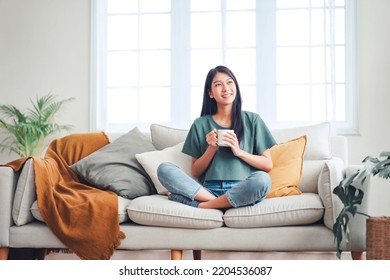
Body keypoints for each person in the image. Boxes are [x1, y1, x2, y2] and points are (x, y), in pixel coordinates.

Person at [157, 65, 276, 209]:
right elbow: (195, 171)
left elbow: (268, 164)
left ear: (236, 87)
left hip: (242, 188)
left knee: (263, 180)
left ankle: (206, 206)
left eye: (229, 82)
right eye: (218, 84)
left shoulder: (253, 120)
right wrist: (211, 149)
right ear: (210, 93)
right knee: (164, 169)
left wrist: (239, 152)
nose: (226, 88)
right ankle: (222, 203)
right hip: (207, 190)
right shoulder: (200, 124)